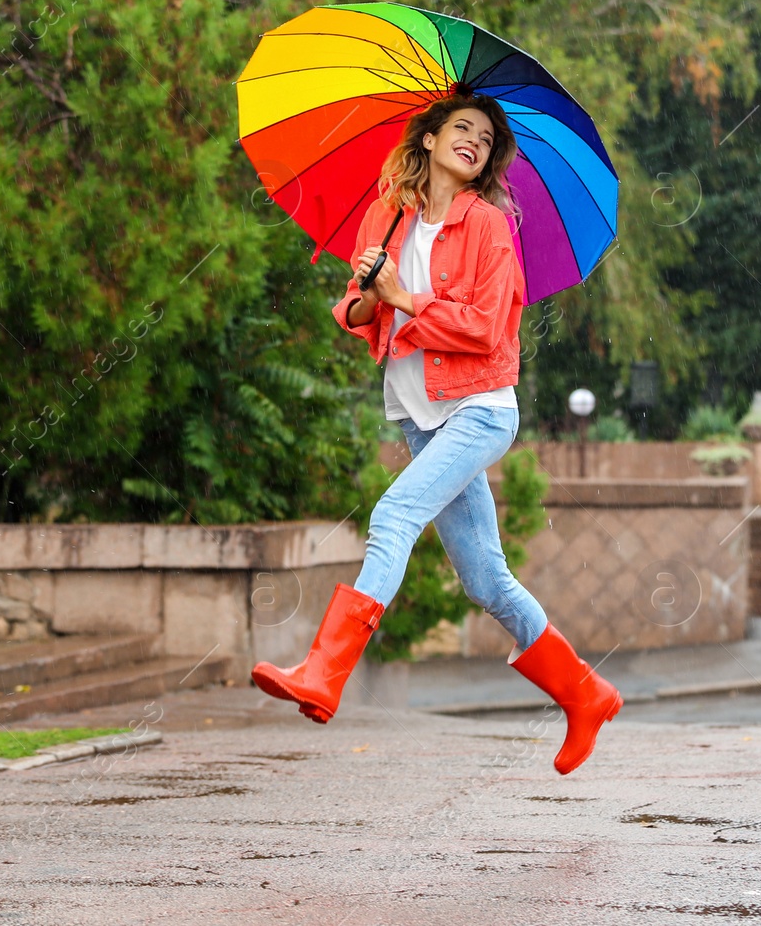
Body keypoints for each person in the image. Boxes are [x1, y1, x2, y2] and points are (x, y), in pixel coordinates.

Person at [250, 91, 622, 774]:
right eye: (462, 129)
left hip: (479, 408)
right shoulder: (386, 214)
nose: (474, 142)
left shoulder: (488, 227)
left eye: (484, 138)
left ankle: (324, 675)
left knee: (393, 514)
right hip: (418, 414)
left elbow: (486, 327)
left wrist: (402, 298)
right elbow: (359, 311)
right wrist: (366, 296)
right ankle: (585, 693)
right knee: (485, 579)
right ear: (428, 139)